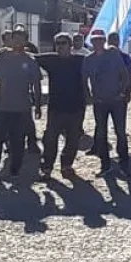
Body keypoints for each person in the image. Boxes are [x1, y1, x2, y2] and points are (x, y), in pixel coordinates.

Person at [0, 27, 42, 180]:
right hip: (3, 106)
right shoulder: (1, 56)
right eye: (15, 38)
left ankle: (15, 170)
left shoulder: (30, 60)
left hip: (22, 107)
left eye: (21, 38)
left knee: (18, 141)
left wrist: (37, 106)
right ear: (11, 40)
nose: (18, 41)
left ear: (26, 41)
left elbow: (36, 84)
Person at [35, 32, 86, 180]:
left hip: (76, 107)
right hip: (56, 108)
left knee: (73, 139)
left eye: (63, 43)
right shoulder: (51, 60)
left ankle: (66, 165)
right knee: (50, 139)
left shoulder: (80, 60)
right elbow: (29, 56)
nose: (60, 46)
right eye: (58, 43)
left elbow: (99, 61)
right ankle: (47, 168)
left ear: (71, 45)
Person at [84, 28, 131, 177]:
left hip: (117, 101)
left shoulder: (113, 55)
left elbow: (125, 75)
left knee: (120, 132)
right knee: (101, 133)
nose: (97, 42)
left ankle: (124, 163)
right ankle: (105, 164)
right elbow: (83, 80)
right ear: (91, 42)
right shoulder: (88, 59)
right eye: (95, 40)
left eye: (100, 40)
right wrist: (89, 96)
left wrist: (123, 92)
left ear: (104, 41)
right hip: (100, 102)